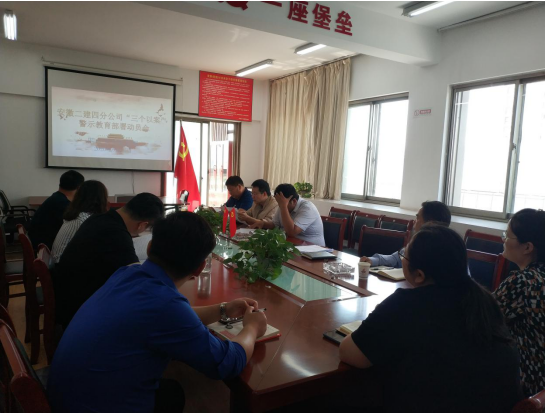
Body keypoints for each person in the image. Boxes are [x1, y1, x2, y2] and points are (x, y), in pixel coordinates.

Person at [47, 211, 267, 413]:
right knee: (172, 395)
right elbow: (228, 363)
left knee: (171, 392)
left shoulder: (127, 273)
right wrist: (252, 327)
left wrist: (223, 309)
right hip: (92, 405)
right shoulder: (166, 305)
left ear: (150, 247)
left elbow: (171, 318)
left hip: (63, 395)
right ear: (200, 268)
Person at [340, 224, 522, 413]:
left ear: (419, 275)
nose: (402, 259)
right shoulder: (484, 300)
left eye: (404, 256)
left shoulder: (406, 303)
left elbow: (350, 353)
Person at [54, 192, 164, 328]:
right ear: (142, 225)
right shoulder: (116, 233)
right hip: (80, 310)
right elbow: (138, 280)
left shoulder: (99, 218)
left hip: (69, 293)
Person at [493, 208, 545, 397]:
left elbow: (482, 317)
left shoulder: (522, 282)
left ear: (527, 247)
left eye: (507, 235)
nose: (503, 239)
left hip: (528, 381)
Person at [360, 200, 451, 268]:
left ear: (430, 223)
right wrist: (372, 260)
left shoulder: (445, 251)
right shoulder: (416, 242)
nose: (414, 222)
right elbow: (396, 258)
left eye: (418, 218)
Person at [51, 180, 109, 264]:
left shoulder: (78, 214)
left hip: (59, 263)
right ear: (101, 199)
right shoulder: (85, 221)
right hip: (65, 266)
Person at [250, 183, 325, 246]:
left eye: (281, 204)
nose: (279, 206)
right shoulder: (282, 204)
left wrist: (283, 206)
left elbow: (291, 232)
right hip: (292, 245)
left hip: (312, 250)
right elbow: (275, 225)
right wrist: (263, 223)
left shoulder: (307, 208)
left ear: (294, 201)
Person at [28, 170, 84, 250]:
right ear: (79, 188)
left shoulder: (56, 198)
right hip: (45, 248)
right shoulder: (63, 204)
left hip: (39, 244)